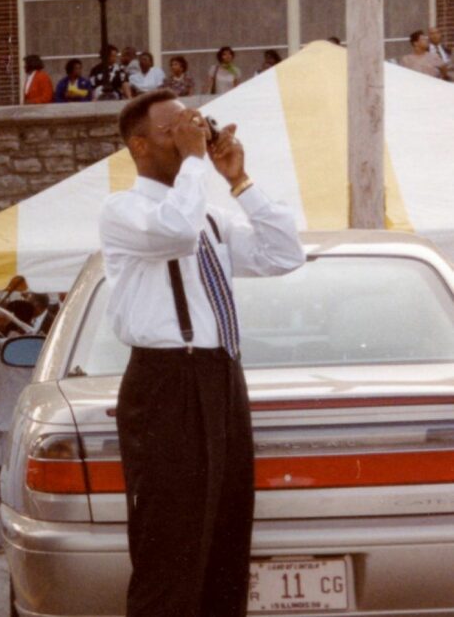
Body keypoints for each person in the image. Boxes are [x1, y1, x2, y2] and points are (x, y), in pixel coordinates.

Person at [98, 90, 304, 615]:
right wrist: (194, 163)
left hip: (220, 376)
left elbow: (284, 255)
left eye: (193, 123)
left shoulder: (211, 215)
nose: (191, 134)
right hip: (167, 382)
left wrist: (239, 180)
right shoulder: (124, 210)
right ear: (140, 146)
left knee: (225, 541)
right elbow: (175, 231)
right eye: (174, 129)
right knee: (170, 549)